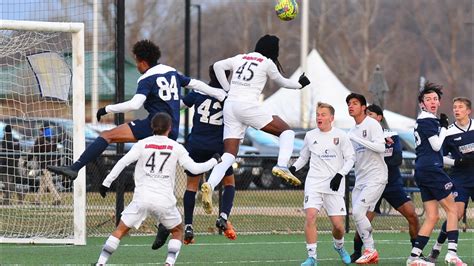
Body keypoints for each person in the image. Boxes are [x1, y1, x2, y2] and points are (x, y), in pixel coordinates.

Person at [48, 39, 226, 180]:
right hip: (171, 130)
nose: (137, 66)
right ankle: (164, 226)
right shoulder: (171, 71)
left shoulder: (147, 79)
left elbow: (134, 104)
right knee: (160, 177)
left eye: (136, 62)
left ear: (143, 62)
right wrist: (218, 94)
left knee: (106, 136)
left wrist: (107, 108)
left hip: (154, 126)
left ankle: (75, 168)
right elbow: (194, 83)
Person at [200, 34, 311, 214]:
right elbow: (282, 82)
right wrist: (299, 85)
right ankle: (282, 165)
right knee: (286, 132)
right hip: (247, 106)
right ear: (273, 51)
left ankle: (210, 185)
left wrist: (227, 89)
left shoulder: (240, 57)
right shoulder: (267, 62)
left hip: (230, 106)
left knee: (229, 155)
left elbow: (218, 66)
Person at [96, 112, 221, 266]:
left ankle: (101, 263)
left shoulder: (142, 143)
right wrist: (215, 160)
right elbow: (195, 169)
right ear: (170, 128)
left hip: (142, 198)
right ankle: (169, 263)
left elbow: (123, 162)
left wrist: (106, 183)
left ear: (151, 127)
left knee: (120, 230)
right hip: (164, 200)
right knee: (177, 231)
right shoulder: (176, 147)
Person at [350, 104, 420, 262]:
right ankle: (357, 251)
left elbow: (396, 159)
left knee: (412, 215)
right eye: (366, 114)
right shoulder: (359, 137)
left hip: (391, 183)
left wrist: (377, 152)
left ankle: (417, 251)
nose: (368, 117)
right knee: (362, 219)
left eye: (371, 114)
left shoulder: (391, 135)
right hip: (371, 183)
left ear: (379, 117)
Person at [406, 82, 466, 266]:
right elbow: (437, 145)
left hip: (423, 169)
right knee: (453, 210)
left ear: (439, 102)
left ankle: (414, 257)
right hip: (431, 171)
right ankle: (452, 254)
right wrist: (444, 127)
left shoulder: (424, 120)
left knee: (432, 216)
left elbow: (434, 150)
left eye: (435, 99)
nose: (432, 102)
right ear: (422, 104)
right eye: (428, 99)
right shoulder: (427, 121)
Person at [290, 102, 355, 266]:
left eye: (323, 114)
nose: (319, 117)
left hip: (334, 186)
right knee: (310, 216)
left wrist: (340, 175)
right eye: (318, 114)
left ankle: (339, 246)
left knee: (339, 227)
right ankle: (312, 257)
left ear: (331, 118)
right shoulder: (310, 135)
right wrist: (292, 168)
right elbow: (303, 158)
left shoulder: (341, 136)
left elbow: (350, 159)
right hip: (314, 183)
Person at [180, 65, 236, 244]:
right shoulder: (229, 96)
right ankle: (223, 217)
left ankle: (188, 225)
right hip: (217, 148)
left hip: (195, 144)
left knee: (191, 186)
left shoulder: (198, 91)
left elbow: (180, 105)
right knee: (229, 183)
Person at [427, 97, 473, 263]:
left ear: (469, 111)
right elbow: (439, 156)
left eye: (460, 107)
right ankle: (437, 249)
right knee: (457, 213)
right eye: (454, 107)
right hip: (460, 177)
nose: (456, 110)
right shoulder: (449, 132)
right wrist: (457, 161)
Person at [345, 93, 387, 264]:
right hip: (361, 179)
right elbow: (352, 158)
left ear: (363, 107)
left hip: (376, 177)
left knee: (357, 212)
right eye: (348, 103)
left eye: (355, 103)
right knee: (357, 215)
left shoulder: (372, 124)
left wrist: (357, 139)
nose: (350, 106)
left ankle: (370, 249)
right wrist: (340, 173)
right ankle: (370, 252)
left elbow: (380, 147)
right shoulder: (351, 131)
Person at [32, 123, 61, 205]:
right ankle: (37, 200)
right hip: (52, 163)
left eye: (41, 130)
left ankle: (57, 198)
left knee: (49, 182)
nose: (40, 132)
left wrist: (26, 160)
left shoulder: (40, 139)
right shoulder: (53, 139)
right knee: (43, 182)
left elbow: (34, 151)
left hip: (44, 164)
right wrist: (57, 163)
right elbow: (57, 152)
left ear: (43, 130)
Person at [0, 124, 24, 205]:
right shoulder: (16, 140)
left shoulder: (5, 140)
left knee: (7, 183)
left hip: (5, 165)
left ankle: (20, 193)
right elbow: (20, 151)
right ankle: (7, 200)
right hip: (14, 164)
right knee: (11, 182)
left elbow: (3, 153)